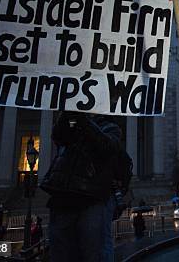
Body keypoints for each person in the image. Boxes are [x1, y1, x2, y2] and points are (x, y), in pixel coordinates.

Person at [40, 112, 122, 262]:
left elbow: (107, 148)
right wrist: (68, 114)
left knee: (93, 252)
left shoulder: (111, 127)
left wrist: (84, 121)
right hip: (63, 196)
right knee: (61, 251)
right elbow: (58, 136)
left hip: (91, 197)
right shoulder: (72, 124)